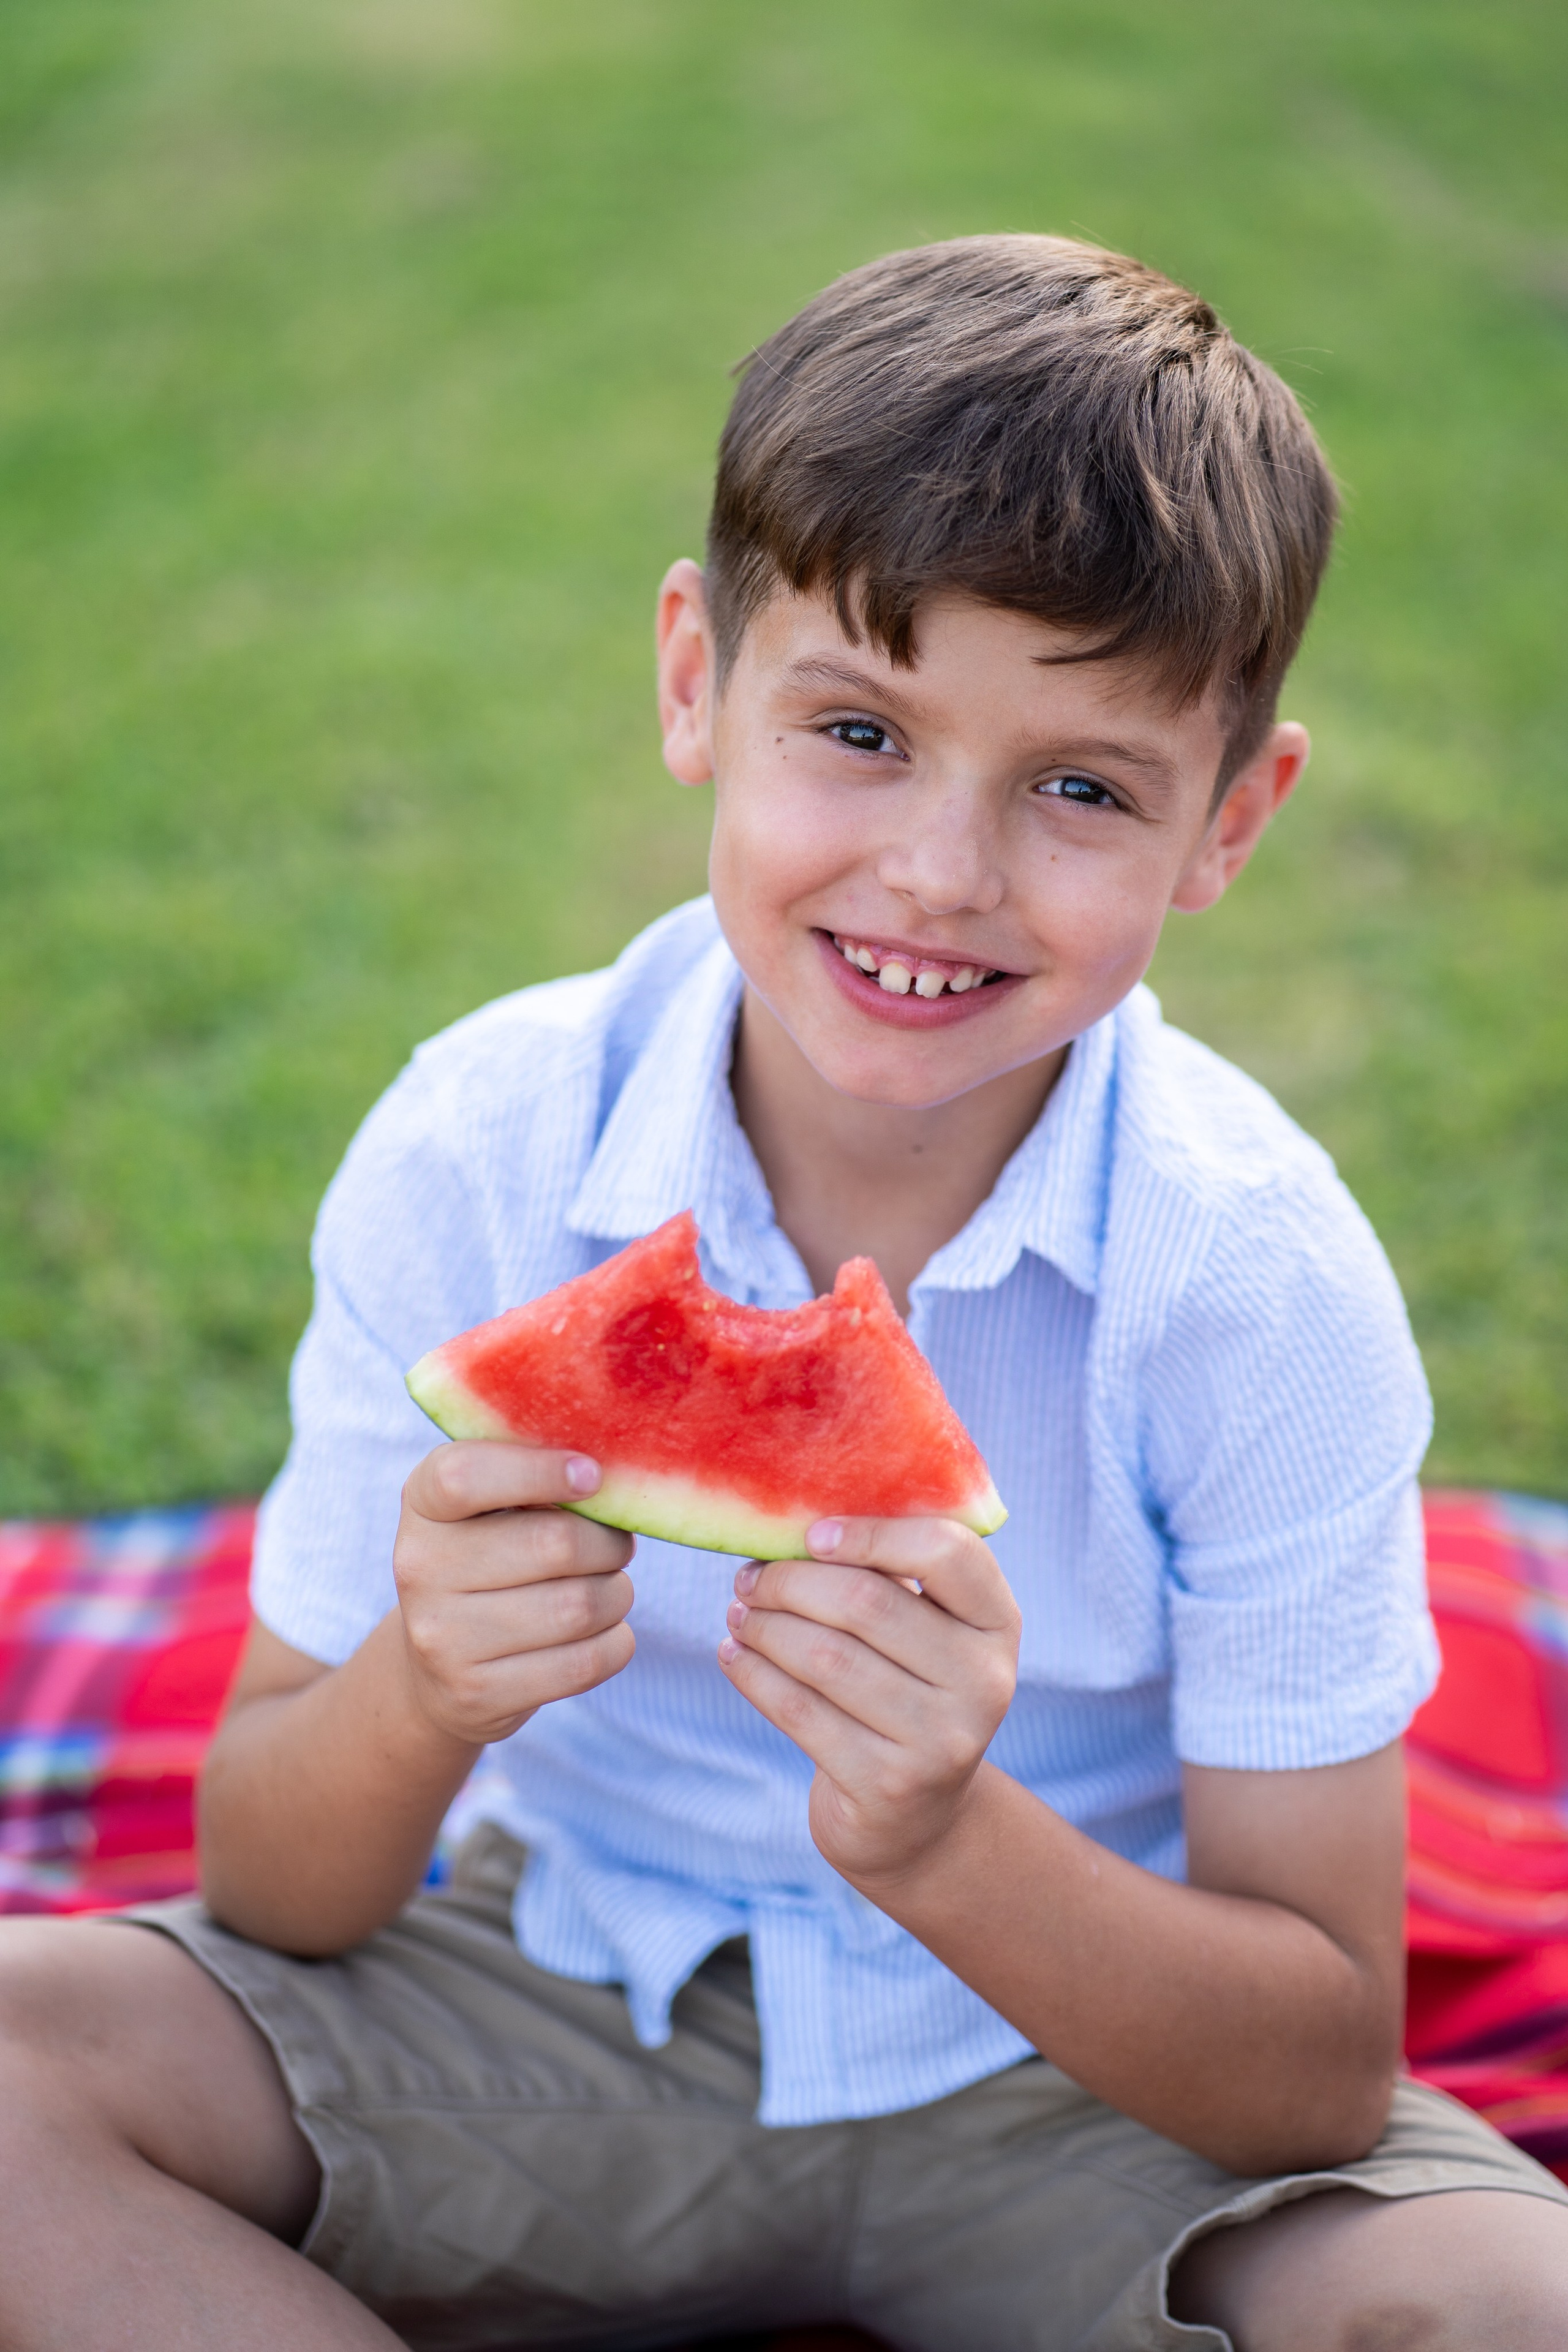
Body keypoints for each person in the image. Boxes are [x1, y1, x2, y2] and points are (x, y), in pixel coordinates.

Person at [2, 235, 1564, 2352]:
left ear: (1229, 825)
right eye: (857, 729)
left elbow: (1312, 2065)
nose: (940, 872)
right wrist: (425, 1693)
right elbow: (276, 1883)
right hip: (558, 1998)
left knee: (1508, 2298)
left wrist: (939, 1835)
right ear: (692, 682)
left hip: (1081, 2068)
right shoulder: (485, 1148)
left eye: (1082, 788)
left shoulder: (1257, 1278)